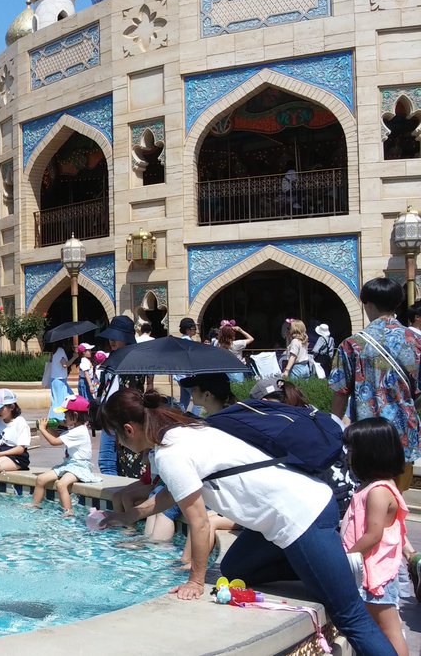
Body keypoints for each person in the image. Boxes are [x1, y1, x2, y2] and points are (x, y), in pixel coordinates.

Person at [99, 388, 395, 656]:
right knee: (234, 569)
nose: (121, 444)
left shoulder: (170, 454)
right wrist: (131, 515)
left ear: (129, 429)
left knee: (350, 617)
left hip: (301, 517)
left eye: (118, 437)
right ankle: (326, 565)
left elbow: (200, 524)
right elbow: (176, 491)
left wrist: (196, 581)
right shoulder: (186, 429)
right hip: (290, 513)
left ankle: (330, 566)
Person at [330, 277, 421, 492]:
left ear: (368, 303)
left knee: (370, 492)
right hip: (405, 432)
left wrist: (333, 428)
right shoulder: (416, 341)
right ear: (397, 303)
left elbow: (340, 392)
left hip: (367, 434)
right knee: (397, 495)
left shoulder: (352, 344)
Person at [341, 418, 410, 656]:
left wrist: (344, 559)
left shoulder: (379, 491)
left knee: (389, 629)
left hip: (375, 574)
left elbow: (373, 535)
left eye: (352, 449)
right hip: (368, 570)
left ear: (371, 452)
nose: (348, 455)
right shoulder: (373, 486)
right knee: (378, 627)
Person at [29, 395, 100, 516]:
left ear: (75, 416)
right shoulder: (75, 429)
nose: (64, 417)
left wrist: (42, 429)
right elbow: (58, 437)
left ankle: (68, 511)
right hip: (69, 465)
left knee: (61, 484)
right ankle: (35, 504)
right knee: (41, 479)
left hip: (79, 466)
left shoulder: (79, 432)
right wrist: (49, 427)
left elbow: (54, 441)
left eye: (66, 414)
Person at [96, 315, 143, 478]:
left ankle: (115, 491)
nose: (112, 341)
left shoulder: (134, 362)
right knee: (108, 461)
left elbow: (133, 391)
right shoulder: (113, 358)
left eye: (116, 337)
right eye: (111, 337)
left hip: (122, 417)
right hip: (109, 416)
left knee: (111, 462)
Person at [44, 340, 71, 429]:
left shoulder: (54, 352)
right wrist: (74, 357)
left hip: (55, 379)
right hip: (59, 380)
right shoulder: (60, 350)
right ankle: (59, 420)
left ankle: (54, 420)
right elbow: (64, 365)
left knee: (56, 401)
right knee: (61, 401)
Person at [175, 318, 198, 412]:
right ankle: (195, 418)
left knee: (184, 401)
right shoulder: (188, 342)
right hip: (187, 376)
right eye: (194, 329)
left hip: (181, 376)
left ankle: (179, 417)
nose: (195, 331)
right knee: (199, 400)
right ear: (188, 330)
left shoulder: (180, 341)